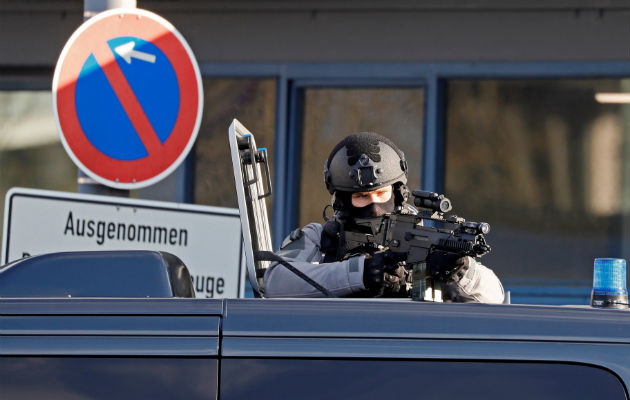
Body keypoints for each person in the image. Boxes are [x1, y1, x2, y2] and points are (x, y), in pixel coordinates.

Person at [263, 132, 504, 303]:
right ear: (343, 201)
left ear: (397, 193)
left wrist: (462, 272)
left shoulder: (423, 235)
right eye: (361, 197)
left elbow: (495, 296)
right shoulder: (320, 239)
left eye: (381, 193)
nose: (375, 206)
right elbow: (275, 283)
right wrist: (360, 273)